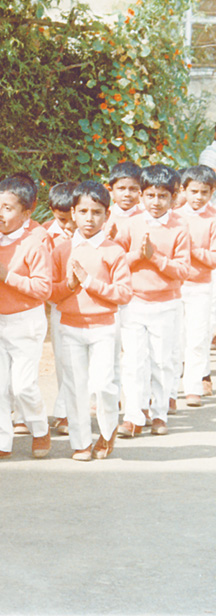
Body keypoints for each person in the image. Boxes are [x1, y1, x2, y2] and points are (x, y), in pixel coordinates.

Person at [0, 175, 52, 461]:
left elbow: (43, 289)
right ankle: (0, 440)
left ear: (26, 213)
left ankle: (40, 428)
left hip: (26, 323)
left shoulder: (35, 243)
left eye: (8, 208)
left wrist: (8, 276)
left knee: (23, 385)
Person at [50, 181, 132, 461]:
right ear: (72, 213)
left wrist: (90, 282)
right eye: (83, 211)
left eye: (96, 212)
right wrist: (71, 285)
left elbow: (123, 294)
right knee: (74, 386)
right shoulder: (61, 250)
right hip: (71, 326)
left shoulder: (114, 251)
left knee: (104, 384)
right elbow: (52, 291)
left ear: (107, 216)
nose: (89, 218)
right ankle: (81, 442)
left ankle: (108, 432)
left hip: (103, 328)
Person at [113, 165, 191, 437]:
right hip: (133, 303)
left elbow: (183, 270)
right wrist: (138, 255)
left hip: (166, 304)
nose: (155, 202)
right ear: (141, 196)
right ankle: (134, 416)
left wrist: (155, 257)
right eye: (150, 196)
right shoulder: (130, 224)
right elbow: (116, 261)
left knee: (161, 361)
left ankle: (159, 414)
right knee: (133, 361)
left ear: (173, 197)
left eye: (162, 197)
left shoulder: (180, 227)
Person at [174, 166, 216, 408]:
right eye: (194, 191)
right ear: (183, 190)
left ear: (211, 192)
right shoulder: (175, 217)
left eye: (204, 192)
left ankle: (193, 387)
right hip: (174, 286)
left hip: (200, 286)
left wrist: (190, 249)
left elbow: (213, 259)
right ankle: (169, 391)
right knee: (175, 339)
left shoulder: (212, 218)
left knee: (197, 337)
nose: (199, 197)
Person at [43, 182, 77, 437]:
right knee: (63, 360)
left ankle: (68, 410)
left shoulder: (90, 232)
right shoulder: (46, 234)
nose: (68, 226)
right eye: (61, 220)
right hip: (59, 305)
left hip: (90, 308)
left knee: (80, 361)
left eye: (70, 219)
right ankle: (65, 410)